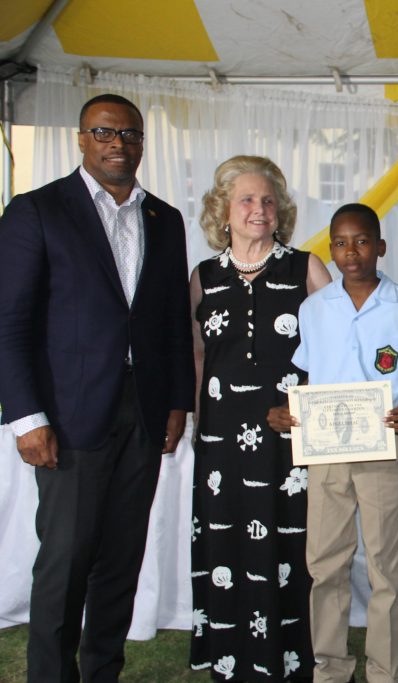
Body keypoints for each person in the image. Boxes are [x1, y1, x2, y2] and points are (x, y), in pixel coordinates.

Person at [0, 93, 194, 682]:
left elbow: (169, 324)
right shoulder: (35, 211)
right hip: (68, 416)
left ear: (142, 143)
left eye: (130, 134)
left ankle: (102, 671)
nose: (118, 143)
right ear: (81, 139)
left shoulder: (164, 218)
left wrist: (177, 402)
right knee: (65, 562)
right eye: (105, 132)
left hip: (143, 414)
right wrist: (26, 417)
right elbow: (10, 322)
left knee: (120, 560)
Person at [267, 202, 398, 683]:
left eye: (362, 241)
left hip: (383, 450)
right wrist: (288, 410)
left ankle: (384, 668)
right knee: (326, 564)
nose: (351, 252)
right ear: (331, 249)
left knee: (385, 565)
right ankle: (330, 666)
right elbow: (304, 375)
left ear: (380, 247)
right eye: (340, 243)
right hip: (325, 454)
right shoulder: (313, 308)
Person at [189, 155, 332, 680]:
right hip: (221, 441)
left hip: (288, 438)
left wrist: (310, 410)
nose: (260, 209)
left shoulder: (307, 267)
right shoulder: (204, 277)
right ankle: (230, 660)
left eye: (268, 200)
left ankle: (293, 659)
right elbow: (198, 357)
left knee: (290, 546)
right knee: (226, 543)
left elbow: (337, 350)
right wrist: (195, 426)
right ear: (223, 211)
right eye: (247, 199)